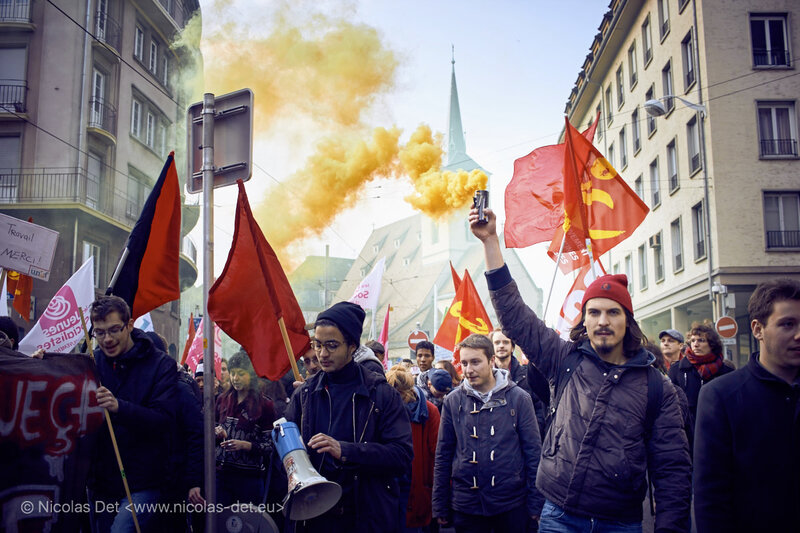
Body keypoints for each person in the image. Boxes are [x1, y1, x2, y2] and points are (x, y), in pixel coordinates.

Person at [470, 207, 691, 532]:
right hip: (559, 517)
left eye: (613, 312)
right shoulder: (565, 360)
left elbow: (672, 470)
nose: (603, 320)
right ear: (583, 320)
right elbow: (514, 315)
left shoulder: (657, 387)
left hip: (620, 522)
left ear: (627, 321)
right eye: (594, 312)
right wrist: (490, 241)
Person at [284, 301, 413, 532]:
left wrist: (346, 450)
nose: (323, 354)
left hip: (364, 516)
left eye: (332, 346)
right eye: (318, 345)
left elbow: (401, 456)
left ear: (352, 346)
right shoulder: (304, 394)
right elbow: (283, 447)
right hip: (313, 518)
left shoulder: (381, 394)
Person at [694, 279, 800, 533]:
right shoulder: (721, 396)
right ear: (757, 329)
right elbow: (711, 497)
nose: (799, 334)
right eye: (787, 324)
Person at [432, 334, 544, 533]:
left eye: (475, 362)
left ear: (491, 361)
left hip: (511, 505)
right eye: (464, 363)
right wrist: (440, 503)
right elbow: (443, 455)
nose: (468, 370)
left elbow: (533, 453)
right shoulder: (452, 401)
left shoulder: (519, 398)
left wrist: (536, 503)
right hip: (466, 506)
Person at [86, 295, 177, 531]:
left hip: (143, 482)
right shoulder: (91, 363)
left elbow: (164, 420)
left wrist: (120, 407)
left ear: (130, 324)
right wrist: (45, 365)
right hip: (101, 481)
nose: (107, 339)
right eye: (99, 332)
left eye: (114, 329)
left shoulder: (161, 365)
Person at [214, 350, 277, 507]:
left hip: (249, 479)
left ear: (251, 374)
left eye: (241, 373)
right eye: (233, 373)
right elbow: (209, 428)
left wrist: (246, 445)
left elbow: (270, 445)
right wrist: (217, 432)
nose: (235, 378)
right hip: (221, 475)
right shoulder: (222, 400)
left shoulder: (265, 405)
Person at [386, 366, 441, 533]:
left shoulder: (429, 410)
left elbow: (437, 453)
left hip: (417, 486)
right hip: (392, 484)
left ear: (407, 392)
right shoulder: (385, 408)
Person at [668, 322, 734, 433]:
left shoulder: (727, 372)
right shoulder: (677, 370)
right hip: (688, 434)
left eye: (701, 340)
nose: (696, 344)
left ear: (712, 344)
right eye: (693, 341)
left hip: (718, 431)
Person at [489, 328, 547, 435]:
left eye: (505, 342)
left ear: (512, 347)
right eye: (497, 343)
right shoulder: (485, 378)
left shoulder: (528, 376)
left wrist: (532, 434)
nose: (501, 345)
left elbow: (539, 409)